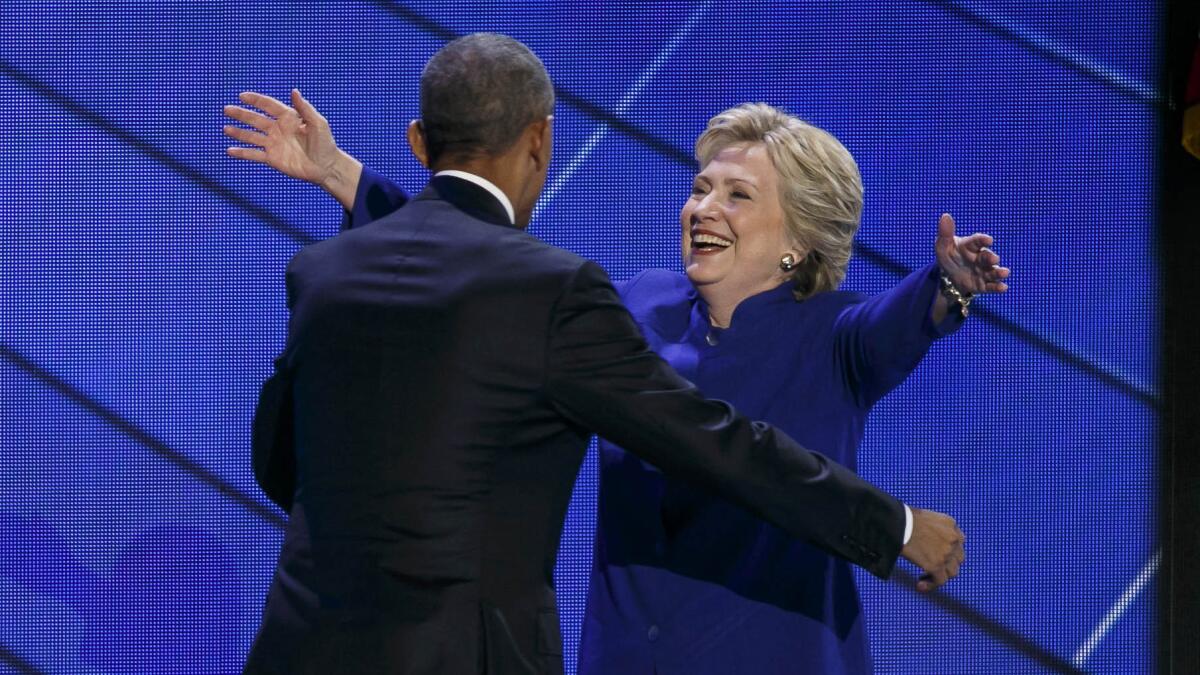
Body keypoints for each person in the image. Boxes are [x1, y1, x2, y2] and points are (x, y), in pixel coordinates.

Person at [228, 34, 968, 675]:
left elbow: (902, 321)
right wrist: (346, 178)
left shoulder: (838, 335)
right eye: (700, 187)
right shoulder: (637, 302)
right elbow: (494, 286)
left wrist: (950, 286)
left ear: (800, 238)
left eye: (737, 195)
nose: (702, 208)